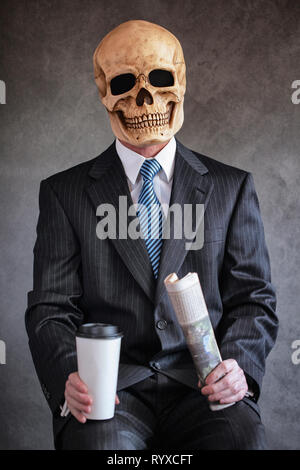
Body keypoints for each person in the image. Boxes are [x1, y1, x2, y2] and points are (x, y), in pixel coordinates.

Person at [25, 20, 278, 450]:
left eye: (160, 81)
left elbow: (253, 298)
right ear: (104, 91)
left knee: (242, 442)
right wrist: (72, 373)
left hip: (204, 387)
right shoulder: (64, 193)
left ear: (180, 83)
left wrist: (240, 368)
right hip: (110, 390)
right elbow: (51, 307)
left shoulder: (231, 188)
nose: (145, 100)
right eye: (124, 84)